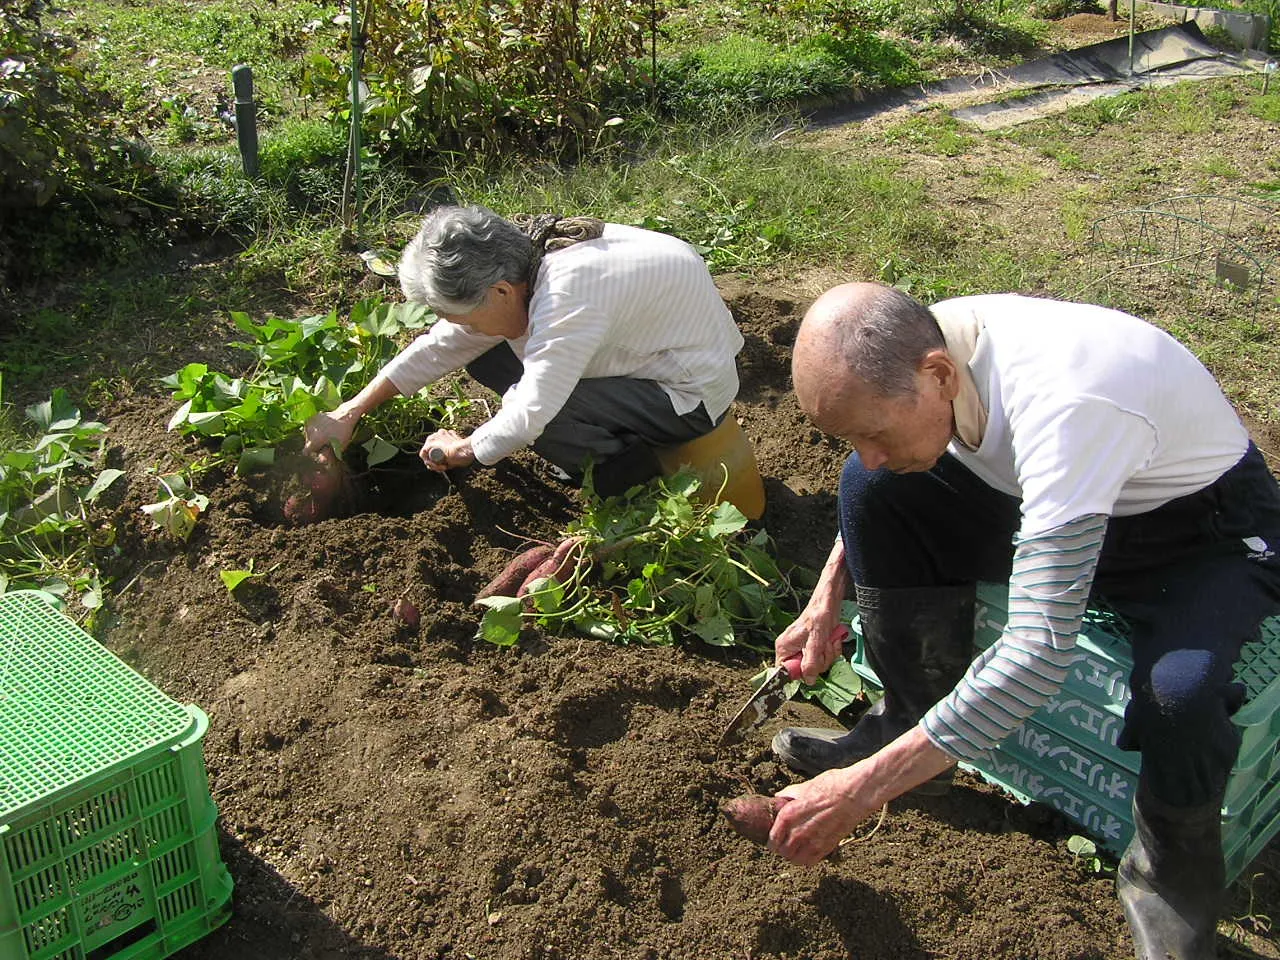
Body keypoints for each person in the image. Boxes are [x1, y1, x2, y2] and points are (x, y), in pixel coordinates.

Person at [767, 281, 1280, 960]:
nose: (868, 448)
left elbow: (1038, 655)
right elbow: (878, 465)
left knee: (1177, 696)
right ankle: (904, 723)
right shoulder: (929, 344)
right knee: (873, 487)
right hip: (1070, 493)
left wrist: (858, 794)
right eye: (851, 435)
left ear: (940, 375)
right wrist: (825, 595)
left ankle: (1169, 881)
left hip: (1197, 533)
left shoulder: (1066, 406)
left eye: (874, 432)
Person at [303, 205, 744, 496]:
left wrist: (464, 449)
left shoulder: (569, 297)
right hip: (650, 353)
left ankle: (624, 481)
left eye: (468, 317)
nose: (463, 329)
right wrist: (350, 412)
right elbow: (443, 346)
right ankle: (608, 443)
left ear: (499, 291)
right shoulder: (526, 262)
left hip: (689, 394)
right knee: (488, 355)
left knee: (544, 409)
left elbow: (532, 410)